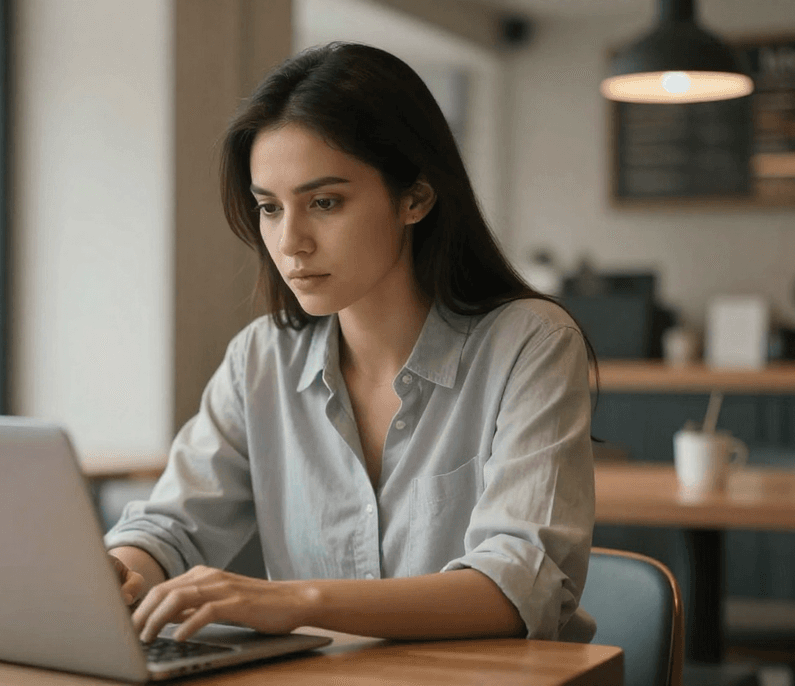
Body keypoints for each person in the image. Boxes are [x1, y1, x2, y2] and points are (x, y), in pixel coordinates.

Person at [105, 41, 597, 645]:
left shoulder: (531, 343)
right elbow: (171, 528)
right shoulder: (262, 358)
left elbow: (518, 585)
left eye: (325, 203)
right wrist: (118, 572)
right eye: (269, 208)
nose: (290, 243)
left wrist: (294, 602)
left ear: (414, 198)